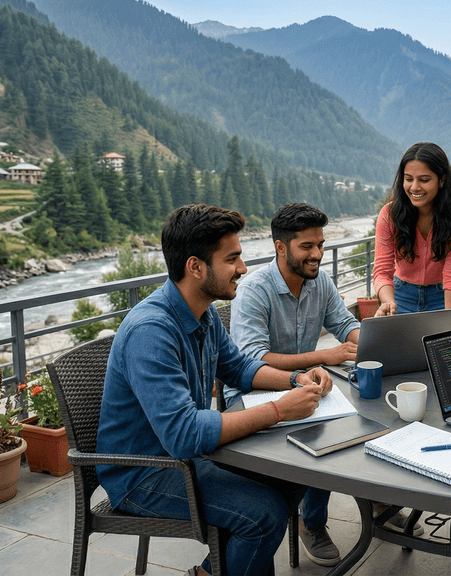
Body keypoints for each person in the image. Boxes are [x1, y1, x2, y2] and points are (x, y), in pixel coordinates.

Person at [97, 204, 333, 576]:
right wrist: (280, 410)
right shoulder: (151, 331)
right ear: (196, 267)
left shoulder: (201, 311)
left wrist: (294, 379)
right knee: (264, 516)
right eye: (232, 258)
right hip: (143, 473)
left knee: (294, 477)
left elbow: (238, 367)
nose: (242, 268)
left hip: (184, 457)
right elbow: (185, 434)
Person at [228, 203, 359, 567]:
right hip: (250, 396)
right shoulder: (254, 289)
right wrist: (324, 359)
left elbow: (345, 324)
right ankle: (312, 522)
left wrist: (370, 341)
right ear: (280, 247)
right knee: (327, 428)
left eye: (320, 244)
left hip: (301, 386)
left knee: (355, 414)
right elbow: (251, 360)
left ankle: (374, 500)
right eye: (307, 246)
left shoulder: (321, 282)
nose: (317, 253)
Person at [373, 141, 451, 326]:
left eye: (424, 180)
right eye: (408, 179)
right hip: (400, 295)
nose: (414, 187)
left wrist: (449, 321)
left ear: (441, 179)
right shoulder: (389, 214)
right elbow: (382, 270)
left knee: (446, 353)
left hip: (443, 296)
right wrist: (388, 301)